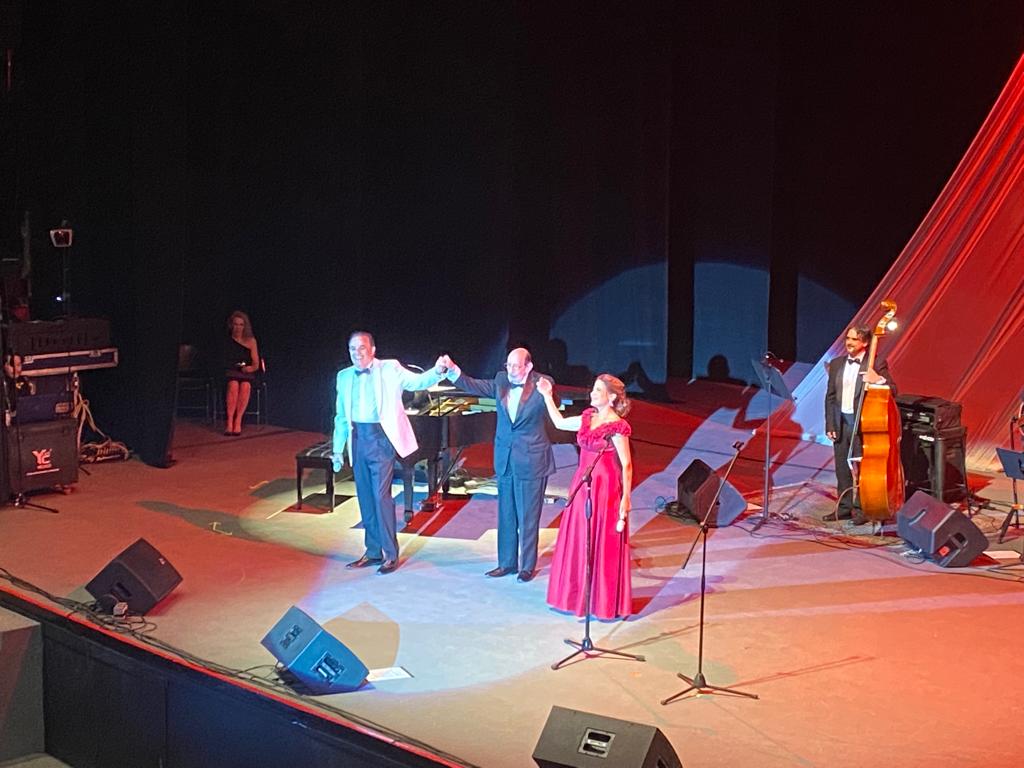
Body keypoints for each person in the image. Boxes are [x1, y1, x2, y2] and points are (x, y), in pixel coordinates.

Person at [332, 332, 447, 575]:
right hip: (357, 440)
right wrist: (337, 449)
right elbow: (341, 416)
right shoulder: (343, 376)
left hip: (381, 440)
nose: (357, 353)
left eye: (362, 348)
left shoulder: (390, 368)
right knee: (365, 497)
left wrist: (437, 371)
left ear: (373, 349)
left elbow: (417, 382)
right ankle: (373, 551)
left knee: (380, 496)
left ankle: (390, 554)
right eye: (352, 349)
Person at [442, 348, 554, 582]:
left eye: (516, 366)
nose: (511, 370)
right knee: (506, 514)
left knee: (528, 517)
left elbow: (555, 406)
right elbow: (473, 385)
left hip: (531, 460)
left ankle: (527, 566)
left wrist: (548, 394)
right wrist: (452, 370)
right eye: (508, 365)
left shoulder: (543, 383)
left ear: (528, 366)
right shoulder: (501, 380)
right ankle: (506, 563)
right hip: (505, 459)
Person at [536, 374, 633, 619]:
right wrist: (547, 395)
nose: (592, 393)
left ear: (612, 397)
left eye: (598, 390)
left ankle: (602, 601)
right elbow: (559, 423)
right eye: (594, 389)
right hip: (583, 482)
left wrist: (626, 498)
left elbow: (626, 464)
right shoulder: (587, 418)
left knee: (601, 540)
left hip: (606, 487)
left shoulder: (617, 426)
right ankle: (577, 596)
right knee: (580, 536)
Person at [824, 325, 896, 523]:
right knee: (842, 468)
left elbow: (894, 390)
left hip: (863, 423)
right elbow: (830, 397)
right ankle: (844, 507)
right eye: (848, 338)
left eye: (854, 339)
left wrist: (878, 379)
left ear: (865, 342)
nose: (849, 342)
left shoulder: (875, 363)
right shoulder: (837, 363)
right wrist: (830, 424)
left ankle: (861, 508)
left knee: (863, 470)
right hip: (841, 422)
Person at [221, 311, 260, 436]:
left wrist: (249, 368)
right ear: (231, 325)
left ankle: (238, 420)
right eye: (236, 324)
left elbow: (256, 364)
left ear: (245, 326)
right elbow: (222, 361)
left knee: (245, 386)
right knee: (233, 385)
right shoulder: (226, 341)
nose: (238, 327)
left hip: (246, 373)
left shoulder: (251, 341)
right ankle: (229, 421)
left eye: (241, 325)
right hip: (230, 372)